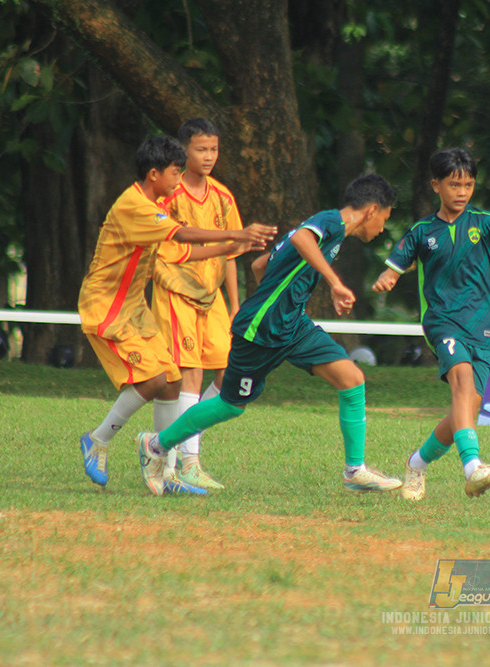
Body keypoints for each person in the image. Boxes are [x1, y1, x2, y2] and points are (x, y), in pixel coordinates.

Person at [135, 174, 403, 496]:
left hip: (293, 325)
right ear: (372, 210)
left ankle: (354, 471)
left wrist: (283, 299)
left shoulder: (332, 232)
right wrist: (333, 283)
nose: (382, 228)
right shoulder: (331, 222)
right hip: (260, 329)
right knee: (231, 405)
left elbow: (261, 264)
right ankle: (155, 445)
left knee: (352, 378)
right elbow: (302, 239)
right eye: (385, 218)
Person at [79, 136, 276, 495]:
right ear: (154, 174)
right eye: (174, 172)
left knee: (171, 380)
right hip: (106, 307)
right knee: (154, 380)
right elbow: (183, 234)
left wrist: (231, 246)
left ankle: (166, 471)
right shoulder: (136, 206)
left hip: (133, 307)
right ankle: (98, 440)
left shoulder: (154, 205)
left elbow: (181, 253)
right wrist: (236, 232)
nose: (178, 179)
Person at [373, 148, 490, 501]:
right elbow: (395, 266)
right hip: (442, 321)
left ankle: (416, 464)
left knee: (465, 410)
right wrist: (387, 278)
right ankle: (473, 468)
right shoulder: (422, 231)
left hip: (483, 326)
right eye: (454, 185)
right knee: (461, 379)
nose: (461, 192)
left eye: (468, 185)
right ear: (436, 186)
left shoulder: (487, 223)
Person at [151, 119, 244, 490]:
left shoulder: (223, 196)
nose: (209, 156)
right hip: (177, 293)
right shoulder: (169, 196)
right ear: (184, 151)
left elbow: (231, 253)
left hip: (212, 296)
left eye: (214, 149)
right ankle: (187, 463)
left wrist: (235, 304)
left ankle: (175, 446)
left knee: (229, 372)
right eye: (201, 149)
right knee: (190, 373)